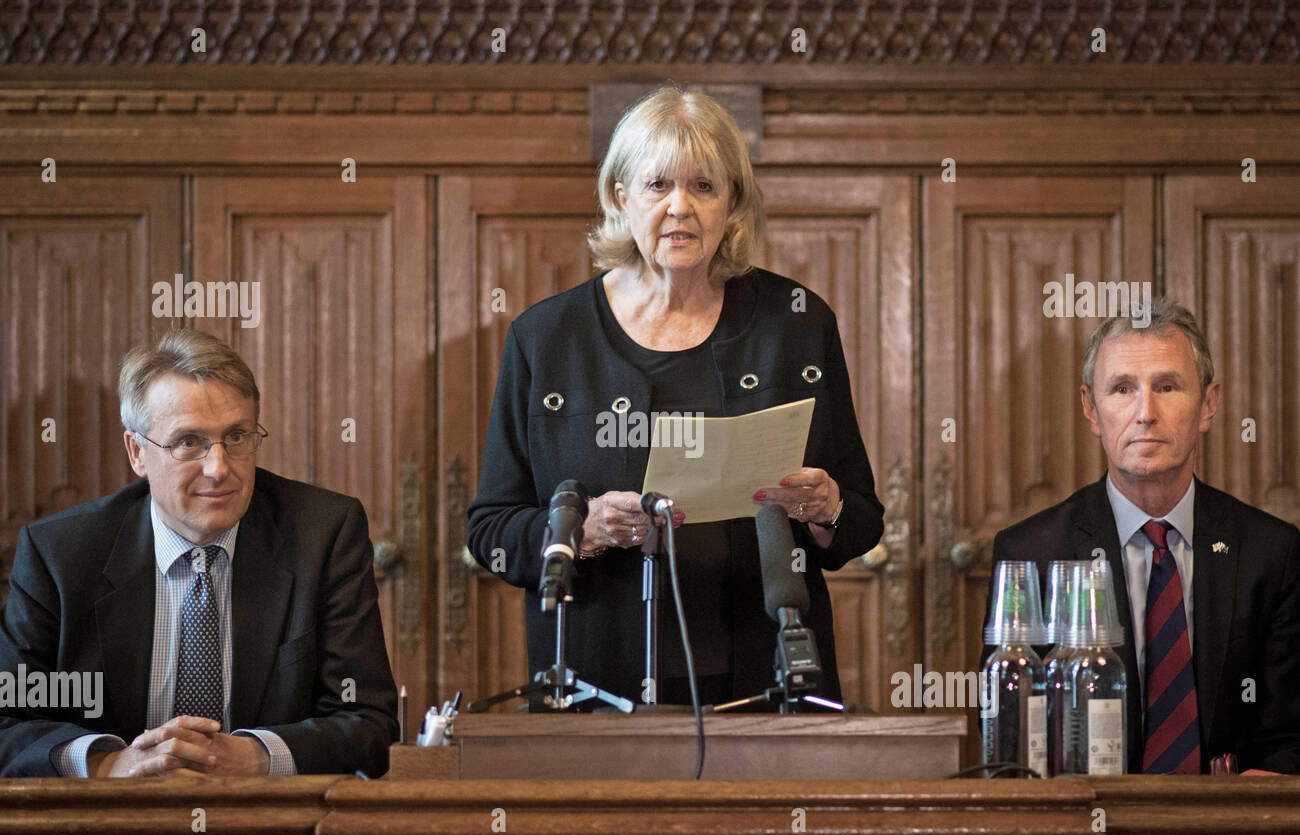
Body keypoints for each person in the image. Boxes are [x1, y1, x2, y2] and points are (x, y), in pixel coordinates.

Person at [467, 87, 885, 707]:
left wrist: (825, 508)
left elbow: (861, 520)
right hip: (597, 682)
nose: (680, 207)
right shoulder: (546, 337)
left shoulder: (796, 323)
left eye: (704, 187)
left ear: (732, 201)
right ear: (621, 196)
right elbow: (492, 531)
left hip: (765, 675)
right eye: (658, 185)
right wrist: (589, 528)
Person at [0, 329, 397, 777]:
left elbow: (368, 721)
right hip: (108, 830)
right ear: (137, 452)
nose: (219, 467)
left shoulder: (322, 535)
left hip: (272, 829)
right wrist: (110, 763)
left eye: (236, 437)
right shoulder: (60, 554)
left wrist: (254, 756)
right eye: (189, 441)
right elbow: (6, 722)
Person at [986, 301, 1300, 773]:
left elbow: (1290, 736)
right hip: (1084, 830)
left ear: (1208, 404)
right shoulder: (1032, 556)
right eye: (1122, 389)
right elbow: (1011, 747)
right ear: (1091, 408)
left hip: (1226, 834)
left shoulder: (1271, 551)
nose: (1145, 413)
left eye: (1168, 386)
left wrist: (1267, 782)